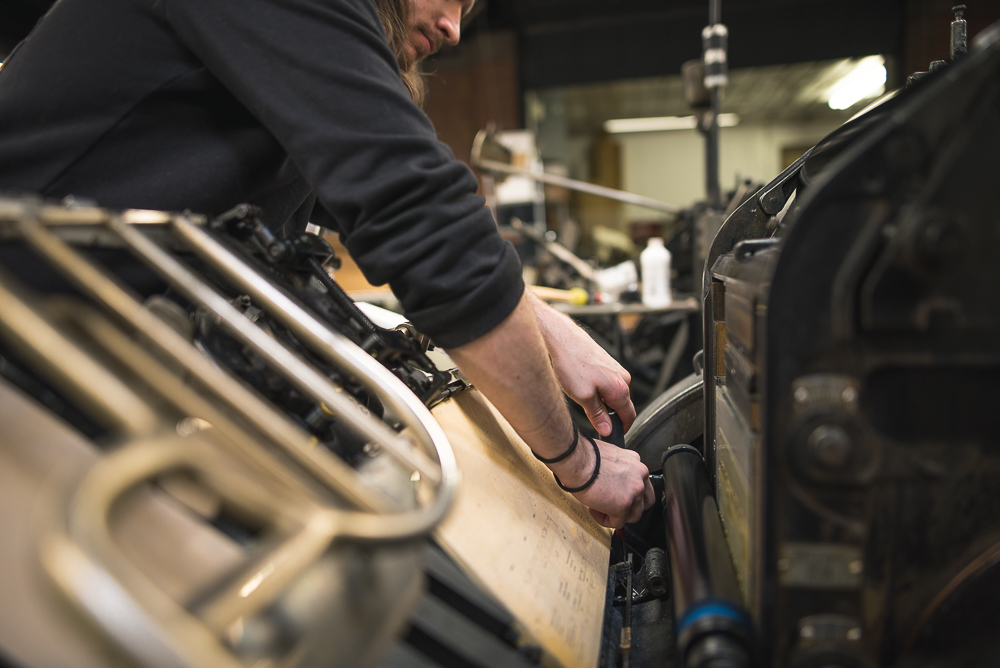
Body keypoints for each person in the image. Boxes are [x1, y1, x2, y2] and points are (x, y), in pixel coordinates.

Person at [0, 0, 654, 528]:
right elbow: (423, 223)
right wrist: (579, 464)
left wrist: (546, 324)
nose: (456, 28)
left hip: (83, 365)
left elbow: (380, 200)